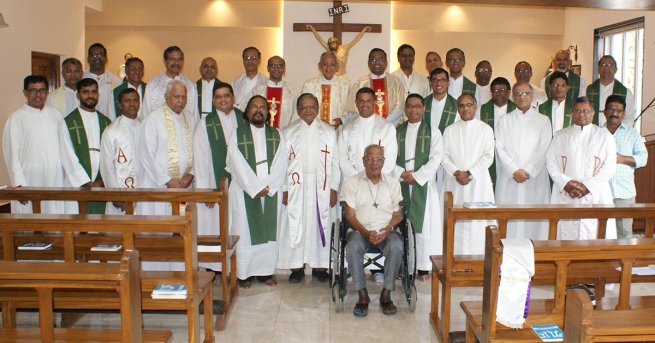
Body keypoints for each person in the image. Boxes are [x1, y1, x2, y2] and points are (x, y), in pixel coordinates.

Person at [226, 95, 287, 289]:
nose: (258, 110)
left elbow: (282, 162)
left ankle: (265, 273)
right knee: (244, 231)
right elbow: (235, 162)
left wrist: (268, 186)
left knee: (269, 234)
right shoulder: (238, 134)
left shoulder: (276, 134)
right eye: (254, 107)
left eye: (262, 107)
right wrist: (254, 187)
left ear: (268, 112)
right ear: (247, 111)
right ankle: (244, 275)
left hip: (270, 191)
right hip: (245, 192)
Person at [279, 93, 340, 283]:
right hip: (296, 184)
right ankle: (296, 267)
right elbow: (281, 164)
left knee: (319, 224)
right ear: (297, 110)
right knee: (296, 223)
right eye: (304, 107)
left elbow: (336, 162)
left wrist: (333, 188)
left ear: (318, 108)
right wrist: (284, 189)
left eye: (312, 107)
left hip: (320, 185)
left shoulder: (329, 131)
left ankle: (320, 266)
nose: (308, 111)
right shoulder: (287, 132)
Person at [341, 144, 404, 317]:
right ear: (363, 161)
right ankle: (362, 294)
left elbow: (398, 215)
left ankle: (386, 293)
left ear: (383, 162)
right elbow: (350, 216)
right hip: (360, 231)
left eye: (378, 159)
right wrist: (366, 233)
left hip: (386, 231)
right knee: (352, 246)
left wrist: (388, 229)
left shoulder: (392, 184)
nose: (374, 163)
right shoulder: (352, 183)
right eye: (370, 158)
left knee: (397, 246)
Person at [193, 82, 247, 272]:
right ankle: (215, 269)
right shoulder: (205, 124)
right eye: (218, 96)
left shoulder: (244, 119)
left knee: (239, 225)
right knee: (215, 226)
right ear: (213, 101)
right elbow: (200, 160)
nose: (223, 99)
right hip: (215, 184)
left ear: (233, 98)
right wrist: (205, 191)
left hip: (241, 184)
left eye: (226, 95)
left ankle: (240, 268)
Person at [546, 96, 617, 240]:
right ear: (571, 113)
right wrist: (565, 184)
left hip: (595, 193)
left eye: (586, 111)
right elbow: (551, 162)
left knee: (596, 233)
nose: (581, 114)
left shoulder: (604, 136)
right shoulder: (560, 135)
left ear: (593, 113)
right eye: (577, 111)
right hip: (565, 191)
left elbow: (609, 167)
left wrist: (587, 187)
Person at [391, 94, 443, 281]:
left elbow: (437, 157)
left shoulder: (433, 131)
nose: (414, 110)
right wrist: (401, 174)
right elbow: (389, 157)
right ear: (405, 109)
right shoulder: (397, 132)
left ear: (423, 109)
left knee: (425, 227)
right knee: (403, 225)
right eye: (410, 106)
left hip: (425, 186)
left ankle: (423, 267)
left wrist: (418, 176)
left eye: (417, 106)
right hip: (403, 184)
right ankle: (405, 265)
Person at [495, 83, 552, 239]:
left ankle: (536, 256)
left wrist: (528, 170)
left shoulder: (543, 120)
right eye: (518, 94)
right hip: (510, 178)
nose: (522, 97)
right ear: (513, 97)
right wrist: (514, 170)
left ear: (532, 96)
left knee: (534, 221)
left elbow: (545, 147)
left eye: (525, 93)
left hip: (535, 178)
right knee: (509, 220)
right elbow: (499, 147)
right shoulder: (504, 120)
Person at [3, 75, 65, 214]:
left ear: (47, 92)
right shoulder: (16, 118)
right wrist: (19, 185)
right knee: (30, 221)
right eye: (33, 90)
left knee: (55, 219)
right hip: (29, 179)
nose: (38, 94)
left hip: (55, 178)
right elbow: (11, 154)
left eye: (42, 90)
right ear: (25, 92)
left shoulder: (57, 115)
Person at [441, 93, 495, 254]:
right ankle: (454, 258)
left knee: (478, 222)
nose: (466, 109)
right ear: (457, 109)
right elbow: (443, 155)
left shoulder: (485, 129)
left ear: (476, 106)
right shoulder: (450, 130)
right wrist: (457, 172)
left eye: (469, 105)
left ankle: (479, 259)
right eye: (462, 105)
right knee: (455, 221)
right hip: (455, 182)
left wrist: (469, 173)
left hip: (478, 182)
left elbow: (488, 156)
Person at [139, 80, 196, 217]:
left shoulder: (190, 118)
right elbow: (146, 154)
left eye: (184, 97)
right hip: (159, 184)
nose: (180, 101)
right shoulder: (153, 119)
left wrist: (191, 174)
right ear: (166, 96)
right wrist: (167, 180)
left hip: (184, 184)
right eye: (176, 96)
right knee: (160, 227)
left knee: (184, 227)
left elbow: (197, 149)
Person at [59, 78, 112, 214]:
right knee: (77, 224)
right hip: (76, 182)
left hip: (101, 182)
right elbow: (67, 155)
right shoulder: (68, 122)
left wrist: (102, 180)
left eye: (94, 92)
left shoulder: (106, 122)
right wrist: (86, 181)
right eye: (85, 92)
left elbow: (111, 153)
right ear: (78, 95)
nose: (90, 96)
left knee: (100, 226)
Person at [602, 95, 648, 239]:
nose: (614, 113)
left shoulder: (632, 134)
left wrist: (621, 159)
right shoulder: (596, 133)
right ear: (604, 111)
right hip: (601, 192)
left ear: (624, 113)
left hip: (624, 191)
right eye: (611, 109)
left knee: (624, 233)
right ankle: (603, 261)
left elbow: (643, 158)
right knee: (601, 231)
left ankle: (623, 261)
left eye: (618, 110)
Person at [338, 87, 398, 182]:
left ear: (374, 102)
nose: (364, 104)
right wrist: (357, 179)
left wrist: (375, 179)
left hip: (379, 183)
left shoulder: (387, 127)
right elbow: (342, 158)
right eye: (361, 101)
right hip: (353, 183)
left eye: (368, 101)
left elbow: (390, 158)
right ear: (356, 103)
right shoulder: (346, 129)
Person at [100, 88, 142, 215]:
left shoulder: (145, 126)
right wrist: (115, 193)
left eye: (135, 100)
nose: (132, 104)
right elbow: (107, 165)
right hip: (120, 191)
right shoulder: (111, 131)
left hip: (143, 190)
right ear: (119, 105)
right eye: (127, 101)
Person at [344, 49, 405, 126]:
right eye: (373, 59)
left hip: (391, 127)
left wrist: (385, 125)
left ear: (386, 62)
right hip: (365, 127)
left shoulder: (396, 82)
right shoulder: (360, 83)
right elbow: (353, 109)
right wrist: (369, 124)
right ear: (368, 63)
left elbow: (399, 108)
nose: (377, 62)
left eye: (381, 59)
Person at [239, 56, 299, 130]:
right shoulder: (258, 90)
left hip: (284, 135)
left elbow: (296, 117)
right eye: (273, 65)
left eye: (280, 66)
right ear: (268, 68)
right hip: (260, 133)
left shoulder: (292, 93)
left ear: (284, 69)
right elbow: (243, 110)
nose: (276, 68)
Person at [478, 77, 516, 189]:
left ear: (509, 92)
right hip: (489, 153)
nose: (498, 93)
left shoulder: (516, 110)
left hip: (510, 153)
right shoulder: (481, 110)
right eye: (495, 90)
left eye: (502, 90)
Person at [142, 46, 198, 119]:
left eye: (179, 59)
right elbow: (145, 114)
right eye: (172, 59)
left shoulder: (191, 86)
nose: (176, 63)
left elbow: (195, 116)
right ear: (165, 61)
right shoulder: (153, 84)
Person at [301, 52, 351, 129]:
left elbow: (351, 111)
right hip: (314, 130)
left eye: (332, 64)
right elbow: (302, 109)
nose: (328, 68)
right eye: (325, 64)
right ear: (319, 66)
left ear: (337, 66)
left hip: (337, 131)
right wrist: (318, 122)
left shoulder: (345, 86)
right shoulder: (309, 85)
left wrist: (341, 120)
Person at [587, 55, 636, 126]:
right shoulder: (587, 90)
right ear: (598, 69)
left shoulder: (626, 92)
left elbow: (629, 117)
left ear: (616, 69)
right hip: (592, 132)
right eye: (603, 65)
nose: (606, 68)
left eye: (610, 65)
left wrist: (619, 133)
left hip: (615, 134)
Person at [306, 24, 371, 78]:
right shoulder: (330, 50)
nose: (332, 46)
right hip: (333, 76)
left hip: (343, 76)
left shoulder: (345, 48)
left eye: (334, 44)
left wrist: (364, 30)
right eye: (331, 44)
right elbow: (320, 39)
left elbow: (356, 39)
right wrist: (312, 29)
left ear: (337, 43)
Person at [83, 43, 122, 120]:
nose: (97, 58)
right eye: (93, 55)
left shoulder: (117, 82)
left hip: (109, 124)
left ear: (106, 59)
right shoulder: (81, 80)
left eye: (100, 55)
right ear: (88, 59)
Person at [423, 68, 459, 133]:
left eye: (442, 80)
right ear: (430, 83)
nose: (438, 83)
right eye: (435, 80)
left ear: (448, 83)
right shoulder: (423, 103)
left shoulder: (456, 105)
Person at [539, 71, 574, 137]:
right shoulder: (541, 108)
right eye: (555, 85)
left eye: (562, 85)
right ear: (550, 88)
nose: (559, 88)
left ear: (567, 88)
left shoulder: (574, 107)